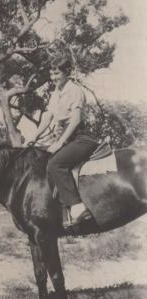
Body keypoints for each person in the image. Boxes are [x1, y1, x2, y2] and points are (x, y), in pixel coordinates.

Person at [24, 52, 98, 227]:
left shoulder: (75, 90)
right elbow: (47, 117)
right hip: (65, 138)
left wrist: (60, 143)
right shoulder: (56, 92)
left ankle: (78, 208)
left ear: (67, 72)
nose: (53, 77)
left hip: (81, 138)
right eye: (51, 73)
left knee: (55, 164)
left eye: (57, 73)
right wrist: (33, 137)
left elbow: (76, 120)